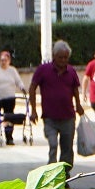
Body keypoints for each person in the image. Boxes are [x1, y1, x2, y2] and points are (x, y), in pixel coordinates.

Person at [28, 39, 86, 167]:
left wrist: (78, 104)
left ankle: (64, 176)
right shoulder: (43, 70)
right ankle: (52, 173)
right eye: (61, 57)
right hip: (50, 117)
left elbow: (75, 89)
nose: (63, 60)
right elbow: (32, 88)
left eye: (66, 58)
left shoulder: (71, 71)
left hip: (68, 117)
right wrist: (33, 110)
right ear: (54, 56)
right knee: (53, 144)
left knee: (67, 149)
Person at [0, 49, 23, 145]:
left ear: (9, 61)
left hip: (9, 97)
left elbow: (18, 81)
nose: (3, 62)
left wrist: (22, 87)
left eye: (5, 60)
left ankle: (9, 137)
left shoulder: (12, 70)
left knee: (9, 116)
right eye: (2, 60)